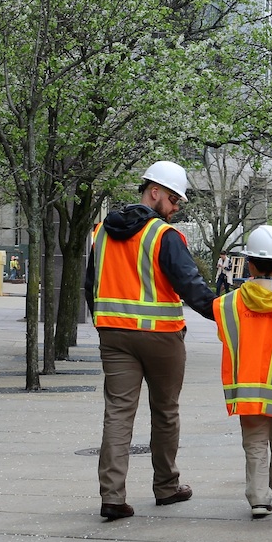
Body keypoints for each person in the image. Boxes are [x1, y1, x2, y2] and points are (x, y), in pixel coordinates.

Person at [83, 160, 218, 521]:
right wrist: (225, 314)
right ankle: (166, 486)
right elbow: (191, 287)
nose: (175, 208)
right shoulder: (163, 236)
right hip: (161, 337)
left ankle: (112, 497)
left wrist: (103, 324)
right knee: (166, 411)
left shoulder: (101, 233)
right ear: (154, 192)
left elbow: (89, 286)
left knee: (117, 413)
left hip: (114, 336)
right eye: (174, 199)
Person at [214, 225, 272, 519]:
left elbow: (225, 337)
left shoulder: (227, 303)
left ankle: (258, 499)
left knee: (254, 443)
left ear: (250, 263)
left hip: (248, 388)